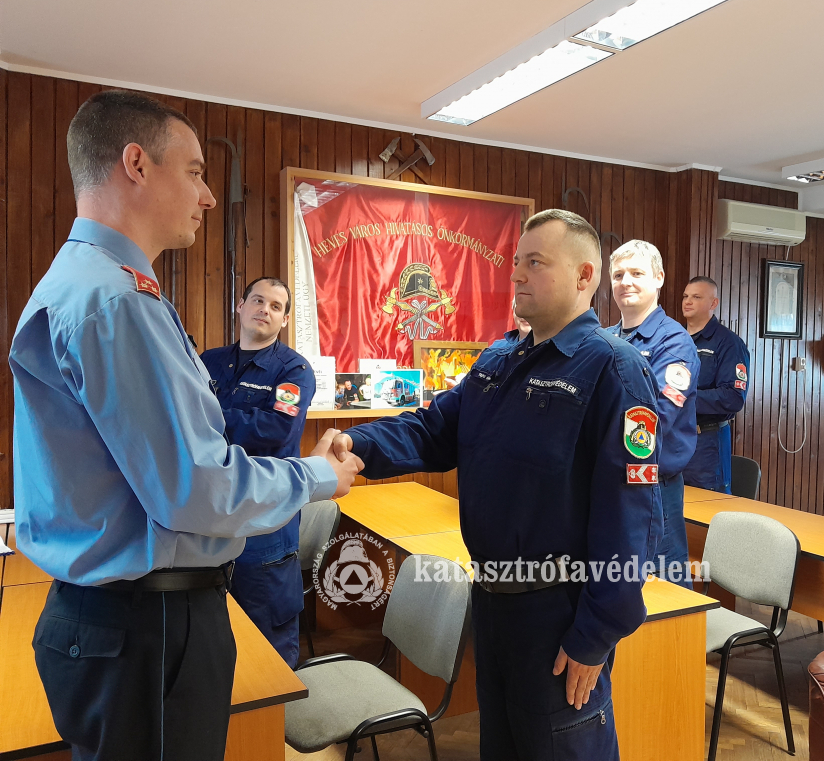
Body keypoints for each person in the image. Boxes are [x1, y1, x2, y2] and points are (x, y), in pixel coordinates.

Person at [8, 90, 363, 761]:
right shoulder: (116, 301)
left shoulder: (83, 282)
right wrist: (318, 476)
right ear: (137, 164)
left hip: (121, 617)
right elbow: (196, 487)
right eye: (196, 170)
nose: (208, 196)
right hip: (148, 625)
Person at [331, 209, 661, 759]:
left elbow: (631, 520)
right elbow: (432, 430)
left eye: (536, 262)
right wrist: (355, 444)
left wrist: (595, 635)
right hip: (491, 602)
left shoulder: (613, 369)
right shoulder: (498, 360)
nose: (517, 275)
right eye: (516, 262)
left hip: (558, 615)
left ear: (584, 276)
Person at [200, 277, 313, 668]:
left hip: (266, 521)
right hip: (210, 515)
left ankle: (279, 709)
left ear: (284, 320)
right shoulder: (208, 362)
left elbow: (278, 429)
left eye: (276, 306)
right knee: (214, 633)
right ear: (241, 306)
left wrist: (209, 418)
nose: (265, 309)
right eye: (258, 300)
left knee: (268, 641)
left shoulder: (294, 370)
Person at [607, 240, 699, 587]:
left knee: (667, 590)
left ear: (658, 278)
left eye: (637, 273)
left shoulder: (674, 342)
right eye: (618, 275)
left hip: (652, 487)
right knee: (617, 585)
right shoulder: (604, 338)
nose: (626, 282)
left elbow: (650, 422)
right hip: (610, 481)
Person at [680, 276, 750, 493]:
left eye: (696, 297)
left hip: (706, 443)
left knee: (707, 508)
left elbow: (733, 397)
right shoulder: (673, 339)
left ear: (713, 303)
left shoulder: (729, 343)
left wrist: (683, 399)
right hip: (672, 440)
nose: (688, 301)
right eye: (685, 296)